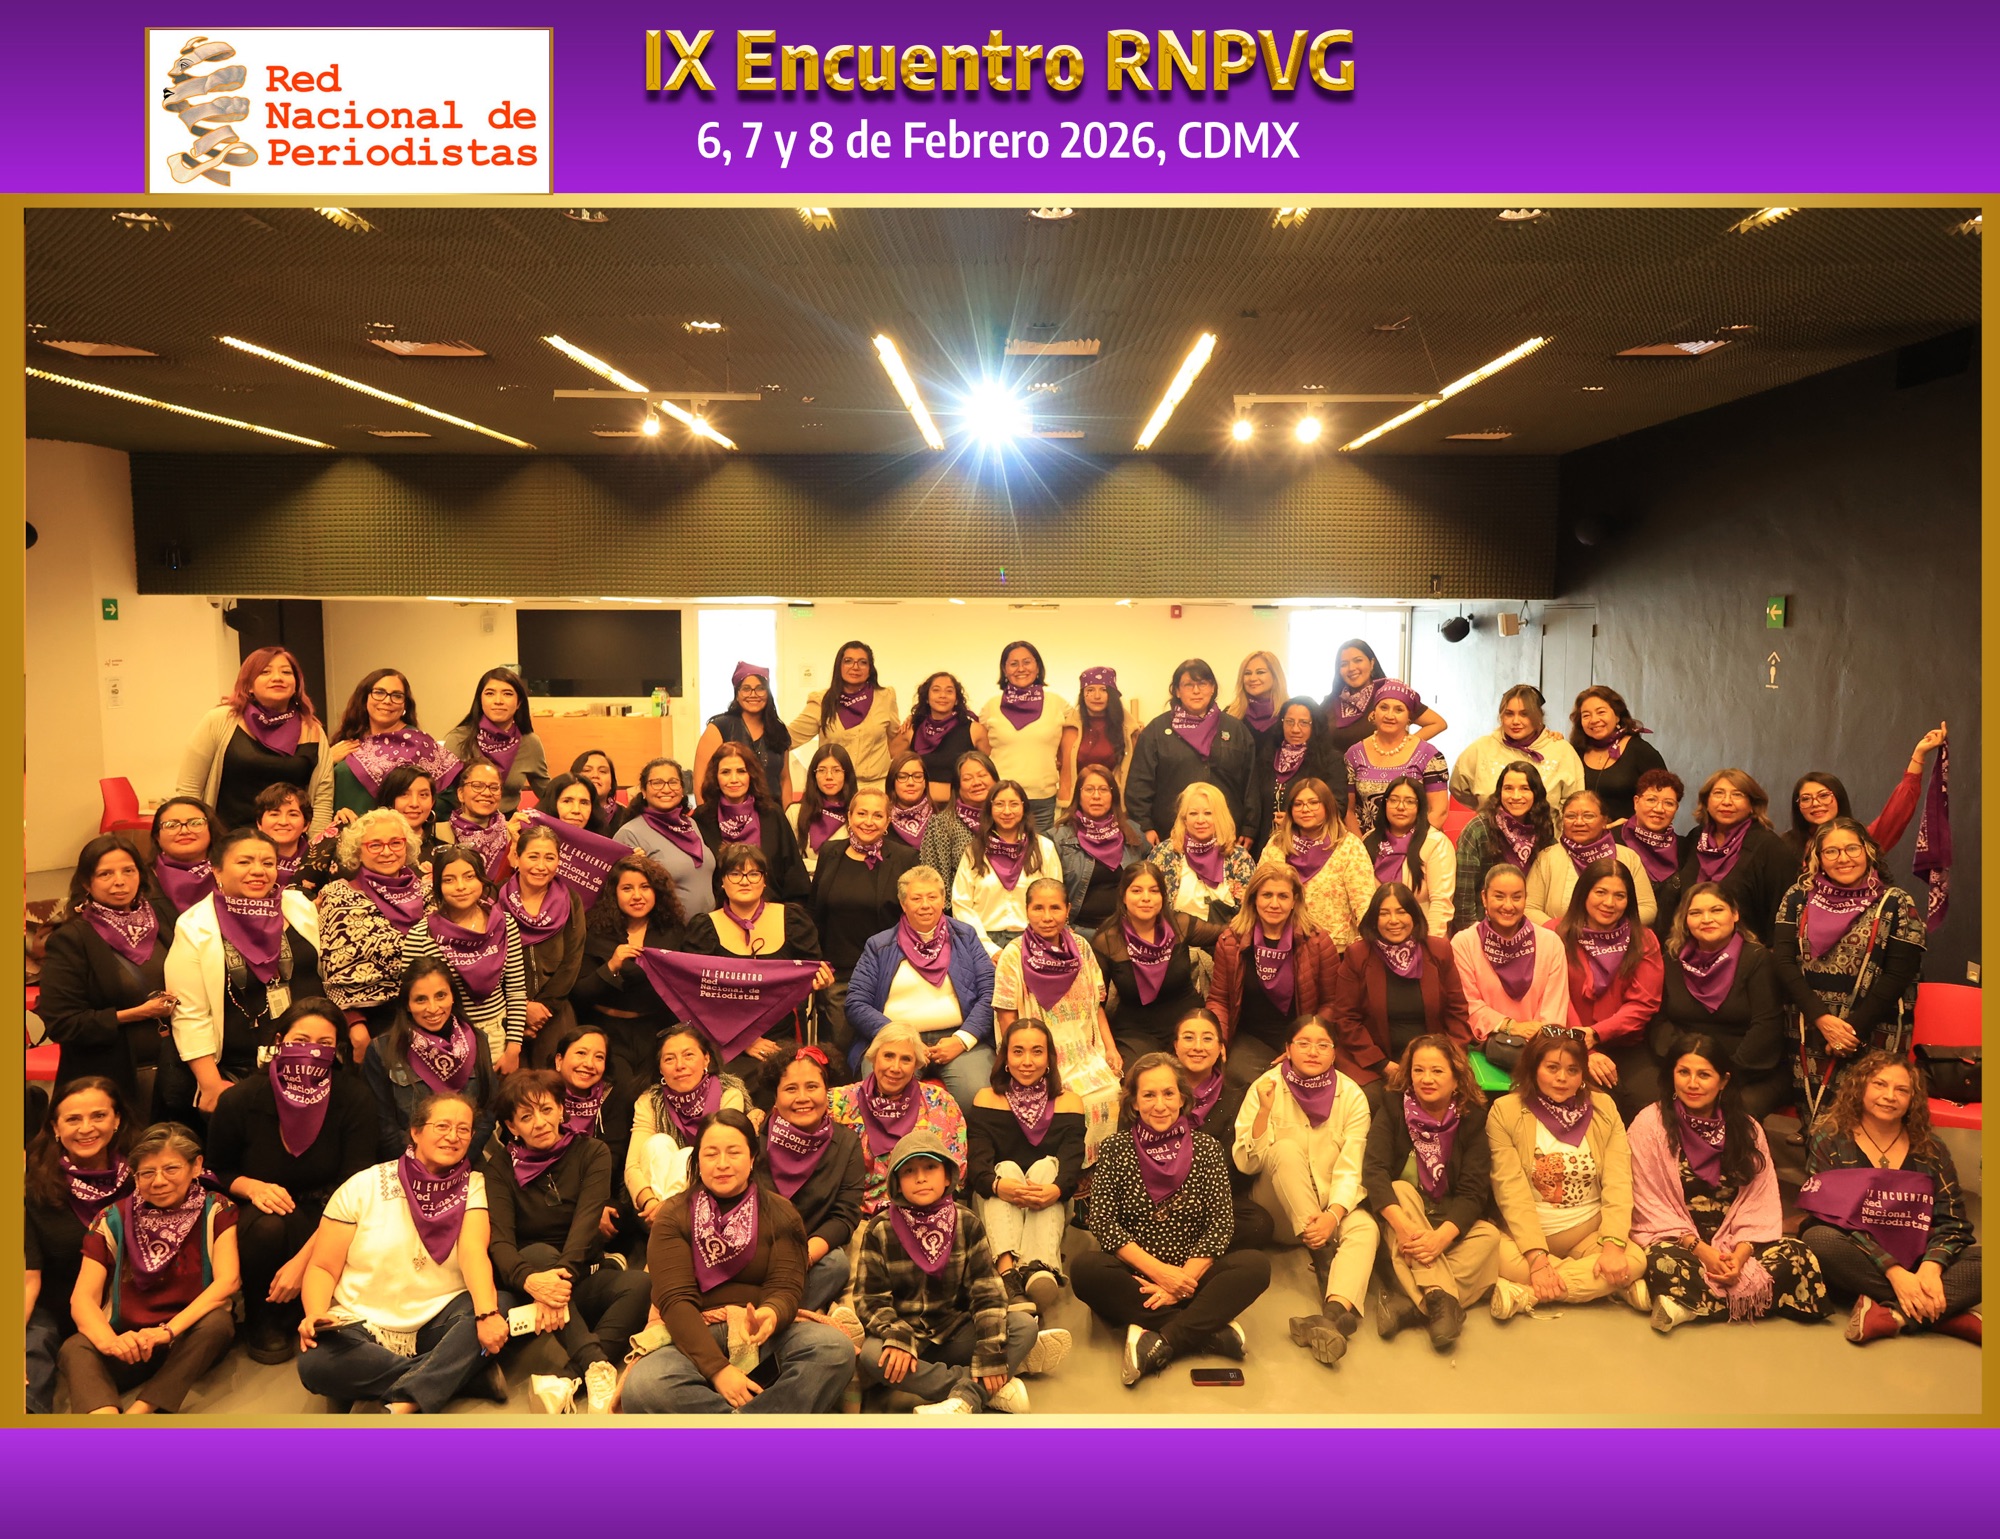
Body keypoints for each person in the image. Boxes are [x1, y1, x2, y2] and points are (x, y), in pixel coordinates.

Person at [620, 1111, 857, 1414]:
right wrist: (718, 1370)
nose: (722, 1164)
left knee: (834, 1350)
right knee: (645, 1387)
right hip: (692, 1330)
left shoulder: (781, 1212)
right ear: (697, 1160)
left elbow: (785, 1287)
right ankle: (761, 1426)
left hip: (758, 1332)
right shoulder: (673, 1215)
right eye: (711, 1154)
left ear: (753, 1158)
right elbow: (675, 1301)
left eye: (734, 1152)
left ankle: (731, 1429)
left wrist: (772, 1313)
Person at [295, 1090, 512, 1413]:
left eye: (463, 1129)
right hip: (363, 1322)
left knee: (500, 1305)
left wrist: (486, 1314)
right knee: (315, 1364)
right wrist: (314, 1312)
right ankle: (461, 1377)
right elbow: (323, 1266)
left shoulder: (474, 1185)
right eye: (442, 1126)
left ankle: (402, 1401)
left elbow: (473, 1252)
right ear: (416, 1131)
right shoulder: (363, 1186)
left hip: (439, 1318)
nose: (453, 1136)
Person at [1071, 1055, 1272, 1386]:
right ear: (1134, 1103)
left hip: (1194, 1276)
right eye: (1149, 1095)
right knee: (1085, 1270)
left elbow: (1221, 1224)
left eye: (1168, 1093)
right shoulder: (1114, 1149)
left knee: (1255, 1266)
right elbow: (1103, 1222)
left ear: (1182, 1098)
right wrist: (1161, 1274)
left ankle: (1164, 1339)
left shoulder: (1207, 1149)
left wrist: (1182, 1282)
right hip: (1137, 1278)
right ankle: (1206, 1331)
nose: (1160, 1105)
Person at [205, 998, 375, 1365]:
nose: (311, 1052)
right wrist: (251, 1186)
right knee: (268, 1228)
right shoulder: (240, 1099)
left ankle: (317, 1312)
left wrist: (303, 1263)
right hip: (263, 1213)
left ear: (337, 1049)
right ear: (280, 1041)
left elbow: (357, 1187)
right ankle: (263, 1317)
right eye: (301, 1040)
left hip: (332, 1212)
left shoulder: (354, 1097)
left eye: (324, 1044)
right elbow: (216, 1171)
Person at [854, 1127, 1069, 1414]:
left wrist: (989, 1348)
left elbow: (987, 1294)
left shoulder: (966, 1223)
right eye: (909, 1171)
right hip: (907, 1338)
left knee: (1024, 1327)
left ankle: (966, 1395)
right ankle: (988, 1388)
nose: (920, 1177)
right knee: (871, 1356)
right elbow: (869, 1299)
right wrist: (896, 1332)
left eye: (930, 1167)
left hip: (955, 1331)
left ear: (947, 1177)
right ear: (897, 1183)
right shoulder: (879, 1229)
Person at [482, 1069, 652, 1414]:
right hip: (525, 1283)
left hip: (575, 1277)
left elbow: (586, 1226)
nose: (540, 1122)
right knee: (538, 1252)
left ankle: (565, 1380)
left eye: (546, 1109)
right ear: (512, 1126)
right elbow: (500, 1242)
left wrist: (557, 1285)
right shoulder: (499, 1167)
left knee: (641, 1284)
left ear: (561, 1109)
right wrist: (533, 1282)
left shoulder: (592, 1152)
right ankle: (594, 1365)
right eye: (526, 1117)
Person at [1630, 1035, 1827, 1332]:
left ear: (1723, 1081)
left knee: (1800, 1256)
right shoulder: (1649, 1124)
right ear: (1672, 1076)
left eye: (1704, 1075)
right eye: (1683, 1072)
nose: (1692, 1083)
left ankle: (1687, 1305)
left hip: (1736, 1244)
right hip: (1679, 1243)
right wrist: (1702, 1251)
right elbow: (1649, 1201)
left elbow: (1760, 1201)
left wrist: (1739, 1256)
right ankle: (1741, 1301)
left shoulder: (1747, 1129)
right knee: (1660, 1262)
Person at [1799, 1051, 1981, 1347]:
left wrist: (1931, 1267)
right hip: (1860, 1259)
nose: (1889, 1096)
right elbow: (1830, 1218)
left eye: (1902, 1090)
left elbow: (1954, 1224)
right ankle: (1946, 1315)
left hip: (1919, 1259)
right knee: (1818, 1238)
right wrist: (1895, 1273)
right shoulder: (1829, 1140)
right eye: (1880, 1084)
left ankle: (1893, 1315)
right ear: (1860, 1087)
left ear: (1913, 1099)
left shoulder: (1931, 1149)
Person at [59, 1121, 239, 1415]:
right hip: (128, 1342)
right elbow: (82, 1299)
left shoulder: (217, 1208)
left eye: (171, 1169)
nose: (159, 1181)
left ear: (196, 1166)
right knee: (74, 1347)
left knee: (217, 1324)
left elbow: (228, 1282)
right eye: (147, 1173)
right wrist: (112, 1343)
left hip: (184, 1338)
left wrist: (167, 1332)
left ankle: (142, 1412)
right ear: (135, 1176)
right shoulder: (111, 1219)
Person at [1234, 1016, 1378, 1366]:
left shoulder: (1351, 1096)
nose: (1313, 1051)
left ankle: (1334, 1314)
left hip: (1327, 1209)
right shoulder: (1266, 1086)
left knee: (1366, 1228)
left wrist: (1333, 1216)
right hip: (1278, 1209)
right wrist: (1264, 1112)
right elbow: (1247, 1164)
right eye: (1303, 1043)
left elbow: (1352, 1166)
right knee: (1285, 1149)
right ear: (1287, 1049)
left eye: (1322, 1045)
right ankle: (1323, 1255)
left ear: (1334, 1052)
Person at [1484, 1028, 1649, 1321]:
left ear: (1582, 1073)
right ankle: (1611, 1285)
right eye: (1552, 1068)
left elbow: (1619, 1180)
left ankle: (1527, 1295)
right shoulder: (1505, 1111)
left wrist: (1612, 1246)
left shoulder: (1603, 1106)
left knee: (1635, 1259)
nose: (1562, 1078)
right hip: (1526, 1238)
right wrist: (1537, 1259)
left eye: (1572, 1070)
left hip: (1587, 1232)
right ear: (1533, 1068)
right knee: (1488, 1252)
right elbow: (1510, 1191)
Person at [162, 829, 323, 1120]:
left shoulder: (297, 906)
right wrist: (211, 1084)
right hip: (238, 1069)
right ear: (217, 870)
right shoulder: (195, 925)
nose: (258, 871)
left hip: (311, 1059)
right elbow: (189, 1013)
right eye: (244, 862)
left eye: (268, 862)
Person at [1773, 819, 1926, 1117]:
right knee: (1814, 1116)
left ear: (1868, 851)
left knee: (1868, 1116)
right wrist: (1823, 1021)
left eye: (1852, 849)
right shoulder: (1797, 897)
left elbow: (1899, 975)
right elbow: (1783, 961)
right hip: (1809, 1024)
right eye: (1831, 851)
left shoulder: (1896, 902)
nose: (1843, 858)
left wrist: (1851, 1030)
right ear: (1818, 858)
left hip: (1874, 1028)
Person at [1363, 1035, 1500, 1349]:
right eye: (1418, 1070)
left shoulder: (1473, 1118)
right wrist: (1405, 1228)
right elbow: (1374, 1172)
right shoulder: (1393, 1107)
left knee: (1489, 1237)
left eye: (1437, 1071)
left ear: (1456, 1078)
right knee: (1400, 1188)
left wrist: (1440, 1238)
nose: (1426, 1079)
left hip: (1443, 1220)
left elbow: (1473, 1192)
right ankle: (1440, 1300)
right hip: (1401, 1220)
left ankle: (1414, 1307)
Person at [24, 1078, 138, 1414]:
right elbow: (27, 1279)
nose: (86, 1128)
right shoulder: (32, 1186)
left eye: (98, 1115)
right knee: (28, 1352)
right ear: (55, 1128)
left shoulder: (145, 1175)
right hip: (55, 1307)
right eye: (73, 1119)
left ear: (117, 1120)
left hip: (130, 1301)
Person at [844, 865, 997, 1114]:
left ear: (943, 900)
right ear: (903, 904)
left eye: (932, 897)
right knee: (885, 1101)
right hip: (896, 1040)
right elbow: (856, 1003)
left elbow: (990, 992)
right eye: (916, 898)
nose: (925, 905)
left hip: (958, 1038)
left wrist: (962, 1039)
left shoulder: (966, 936)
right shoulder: (879, 945)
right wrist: (902, 1039)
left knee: (975, 1097)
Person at [38, 835, 176, 1110]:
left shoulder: (162, 919)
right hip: (110, 1081)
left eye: (128, 870)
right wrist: (137, 1013)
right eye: (106, 874)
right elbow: (62, 1023)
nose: (120, 881)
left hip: (175, 1072)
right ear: (86, 883)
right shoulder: (71, 938)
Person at [991, 878, 1122, 1159]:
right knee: (1067, 1102)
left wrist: (1110, 1050)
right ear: (1027, 910)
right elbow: (1005, 1015)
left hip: (1084, 1053)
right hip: (1039, 1056)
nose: (1047, 917)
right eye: (1038, 908)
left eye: (1055, 908)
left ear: (1068, 909)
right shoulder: (1013, 954)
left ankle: (1097, 1171)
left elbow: (1097, 1006)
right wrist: (1021, 1061)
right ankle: (1065, 1169)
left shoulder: (1082, 948)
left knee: (1111, 1092)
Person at [683, 842, 835, 1073]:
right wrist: (744, 1040)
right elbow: (696, 996)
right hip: (724, 1040)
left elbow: (810, 971)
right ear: (722, 881)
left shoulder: (793, 919)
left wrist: (820, 981)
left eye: (753, 873)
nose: (745, 881)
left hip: (783, 1036)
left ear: (764, 880)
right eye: (735, 874)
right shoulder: (703, 927)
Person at [967, 1020, 1088, 1308]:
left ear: (1049, 1058)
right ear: (1005, 1057)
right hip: (994, 1200)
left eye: (1037, 1051)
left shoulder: (1070, 1102)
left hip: (1051, 1199)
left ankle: (1038, 1267)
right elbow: (978, 1169)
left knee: (1047, 1167)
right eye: (1018, 1051)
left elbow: (1070, 1168)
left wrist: (1054, 1190)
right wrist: (1000, 1186)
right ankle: (1007, 1272)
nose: (1027, 1061)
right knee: (1006, 1168)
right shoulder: (986, 1098)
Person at [1653, 883, 1791, 1121]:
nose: (1706, 919)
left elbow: (1766, 1028)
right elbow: (1658, 1021)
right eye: (1696, 913)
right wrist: (1685, 1068)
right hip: (1685, 1067)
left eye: (1716, 910)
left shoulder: (1758, 960)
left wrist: (1720, 1077)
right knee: (1654, 1106)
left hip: (1747, 1072)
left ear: (1735, 914)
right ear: (1685, 920)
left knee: (1731, 1113)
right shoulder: (1671, 961)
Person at [1207, 864, 1342, 1090]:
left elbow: (1332, 1003)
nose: (1274, 904)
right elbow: (1219, 999)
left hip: (1303, 1038)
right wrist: (1216, 1037)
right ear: (1253, 899)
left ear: (1294, 900)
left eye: (1283, 896)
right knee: (1248, 1083)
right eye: (1267, 895)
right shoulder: (1230, 941)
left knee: (1298, 1083)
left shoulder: (1318, 941)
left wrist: (1305, 1044)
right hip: (1249, 1038)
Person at [754, 1044, 867, 1315]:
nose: (802, 1098)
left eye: (812, 1087)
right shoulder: (752, 1139)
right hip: (754, 1255)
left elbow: (845, 1215)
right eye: (791, 1089)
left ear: (826, 1091)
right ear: (776, 1096)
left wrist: (802, 1256)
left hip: (808, 1256)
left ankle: (772, 1318)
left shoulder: (847, 1143)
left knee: (836, 1264)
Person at [176, 645, 335, 833]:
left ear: (296, 685)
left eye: (286, 672)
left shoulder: (311, 728)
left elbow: (322, 799)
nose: (277, 678)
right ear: (249, 685)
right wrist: (197, 835)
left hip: (289, 843)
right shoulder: (221, 720)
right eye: (265, 672)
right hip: (227, 840)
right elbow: (189, 789)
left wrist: (315, 846)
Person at [812, 788, 920, 1062]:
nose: (868, 821)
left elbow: (912, 917)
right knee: (836, 1052)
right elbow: (815, 912)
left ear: (888, 821)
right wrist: (815, 962)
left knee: (881, 1051)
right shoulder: (830, 852)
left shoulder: (905, 857)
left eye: (877, 815)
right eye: (861, 813)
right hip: (836, 974)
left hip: (885, 972)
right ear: (849, 816)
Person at [1332, 883, 1472, 1092]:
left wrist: (1443, 1060)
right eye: (1384, 913)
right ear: (1374, 919)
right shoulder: (1358, 955)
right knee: (1377, 1099)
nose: (1393, 920)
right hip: (1377, 1063)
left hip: (1433, 1061)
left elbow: (1457, 1012)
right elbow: (1346, 1019)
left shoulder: (1439, 950)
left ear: (1414, 915)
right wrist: (1382, 1064)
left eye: (1401, 911)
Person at [402, 844, 527, 1072]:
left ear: (482, 880)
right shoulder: (421, 935)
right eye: (449, 880)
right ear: (438, 886)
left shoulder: (505, 925)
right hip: (444, 1040)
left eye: (469, 877)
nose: (460, 886)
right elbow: (411, 1001)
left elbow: (516, 990)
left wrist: (513, 1048)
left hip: (498, 1037)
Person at [1556, 858, 1666, 1118]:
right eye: (1601, 892)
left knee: (1652, 1107)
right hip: (1568, 1043)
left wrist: (1597, 1033)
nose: (1609, 903)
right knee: (1596, 1106)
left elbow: (1644, 1003)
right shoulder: (1556, 933)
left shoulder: (1644, 939)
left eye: (1619, 896)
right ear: (1584, 893)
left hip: (1626, 1044)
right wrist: (1585, 1047)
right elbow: (1556, 996)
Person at [362, 960, 501, 1162]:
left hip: (466, 1161)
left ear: (453, 997)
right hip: (405, 1164)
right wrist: (420, 1166)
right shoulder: (381, 1050)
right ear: (407, 1005)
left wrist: (458, 1160)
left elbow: (488, 1110)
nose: (433, 1008)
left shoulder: (478, 1040)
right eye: (421, 999)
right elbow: (383, 1126)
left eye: (440, 995)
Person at [317, 809, 427, 1064]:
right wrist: (355, 1026)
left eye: (395, 842)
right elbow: (331, 972)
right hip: (371, 1027)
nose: (387, 852)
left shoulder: (429, 892)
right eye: (375, 845)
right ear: (358, 851)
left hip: (430, 1014)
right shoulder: (338, 896)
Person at [624, 1024, 754, 1235]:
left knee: (689, 1155)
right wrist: (650, 1203)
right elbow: (633, 1166)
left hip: (714, 1200)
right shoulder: (650, 1101)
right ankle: (669, 1231)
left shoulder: (729, 1094)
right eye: (669, 1059)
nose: (680, 1065)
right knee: (658, 1143)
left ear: (706, 1059)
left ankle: (667, 1234)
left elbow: (722, 1160)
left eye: (688, 1055)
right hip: (653, 1209)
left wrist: (669, 1209)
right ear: (660, 1068)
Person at [1092, 862, 1225, 1065]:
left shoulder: (1180, 925)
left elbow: (1228, 934)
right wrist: (1110, 1049)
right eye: (1137, 890)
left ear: (1163, 896)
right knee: (1140, 1076)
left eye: (1154, 891)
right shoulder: (1107, 941)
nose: (1146, 898)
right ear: (1123, 896)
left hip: (1188, 1025)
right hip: (1135, 1032)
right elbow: (1096, 1003)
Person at [830, 1025, 969, 1216]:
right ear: (873, 1058)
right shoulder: (838, 1103)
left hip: (925, 1214)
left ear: (916, 1065)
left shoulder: (940, 1102)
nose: (895, 1068)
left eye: (906, 1059)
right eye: (888, 1056)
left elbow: (956, 1170)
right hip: (854, 1215)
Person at [571, 853, 687, 1080]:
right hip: (605, 1032)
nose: (637, 896)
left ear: (657, 892)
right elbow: (579, 994)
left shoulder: (673, 932)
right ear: (614, 893)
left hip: (655, 1032)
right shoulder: (595, 930)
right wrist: (611, 966)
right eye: (627, 888)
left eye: (645, 887)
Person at [1171, 1009, 1274, 1251]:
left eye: (1207, 1038)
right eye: (1188, 1037)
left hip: (1213, 1200)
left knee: (1259, 1224)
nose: (1198, 1047)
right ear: (1175, 1046)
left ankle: (1176, 1247)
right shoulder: (1160, 1090)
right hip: (1160, 1194)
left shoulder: (1239, 1095)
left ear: (1221, 1048)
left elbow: (1238, 1169)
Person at [1126, 658, 1254, 841]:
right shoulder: (1156, 731)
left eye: (1202, 684)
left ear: (1212, 688)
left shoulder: (1235, 730)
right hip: (1170, 835)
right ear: (1177, 691)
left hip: (1227, 834)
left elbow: (1250, 784)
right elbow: (1139, 784)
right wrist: (1144, 826)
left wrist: (1250, 828)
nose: (1196, 691)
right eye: (1188, 685)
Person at [1782, 723, 1946, 862]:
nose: (1816, 803)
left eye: (1824, 795)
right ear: (1798, 806)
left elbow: (1897, 812)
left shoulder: (1862, 840)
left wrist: (1919, 754)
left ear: (1838, 797)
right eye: (1806, 799)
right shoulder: (1785, 846)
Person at [1449, 864, 1569, 1048]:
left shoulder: (1551, 943)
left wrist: (1537, 1041)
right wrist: (1510, 1026)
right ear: (1484, 898)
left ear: (1526, 899)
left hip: (1540, 1048)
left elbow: (1554, 1008)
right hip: (1484, 1047)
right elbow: (1468, 1005)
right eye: (1499, 896)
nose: (1508, 905)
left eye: (1516, 897)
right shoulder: (1464, 943)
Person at [498, 821, 588, 1067]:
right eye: (533, 856)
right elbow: (489, 960)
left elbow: (572, 960)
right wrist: (521, 1009)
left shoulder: (570, 900)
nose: (541, 866)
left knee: (554, 1083)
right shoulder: (496, 898)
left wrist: (542, 1009)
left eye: (549, 858)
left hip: (553, 1013)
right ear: (517, 858)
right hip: (504, 1012)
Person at [327, 668, 463, 821]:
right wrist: (327, 762)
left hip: (397, 834)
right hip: (345, 830)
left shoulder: (419, 744)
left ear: (405, 705)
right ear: (364, 698)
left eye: (397, 696)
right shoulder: (347, 740)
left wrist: (411, 817)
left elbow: (447, 800)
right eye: (379, 692)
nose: (387, 701)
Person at [1677, 769, 1798, 941]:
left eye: (1737, 795)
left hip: (1749, 950)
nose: (1727, 802)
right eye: (1718, 793)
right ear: (1706, 802)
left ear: (1752, 805)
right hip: (1691, 946)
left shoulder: (1769, 847)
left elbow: (1786, 910)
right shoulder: (1695, 838)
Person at [1262, 775, 1378, 954]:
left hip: (1335, 949)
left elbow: (1364, 905)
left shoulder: (1349, 846)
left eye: (1313, 802)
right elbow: (1258, 894)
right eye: (1298, 804)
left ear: (1328, 806)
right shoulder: (1277, 844)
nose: (1305, 809)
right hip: (1283, 947)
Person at [951, 779, 1062, 954]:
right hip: (983, 942)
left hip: (1034, 940)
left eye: (1014, 804)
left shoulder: (1044, 848)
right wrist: (988, 948)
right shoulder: (974, 851)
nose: (1007, 811)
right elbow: (961, 904)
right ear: (990, 808)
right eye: (999, 804)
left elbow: (1055, 898)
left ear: (1024, 807)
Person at [978, 640, 1078, 832]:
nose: (1021, 668)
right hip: (1001, 799)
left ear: (1038, 666)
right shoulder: (991, 706)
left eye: (1027, 662)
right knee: (1001, 849)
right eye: (1013, 664)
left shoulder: (1057, 704)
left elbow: (1081, 730)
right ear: (1004, 670)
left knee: (1041, 850)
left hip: (1042, 800)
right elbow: (980, 746)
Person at [695, 739, 808, 902]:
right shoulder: (702, 818)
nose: (734, 779)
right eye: (725, 772)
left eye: (741, 771)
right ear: (715, 777)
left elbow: (794, 875)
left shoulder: (772, 814)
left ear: (751, 775)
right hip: (720, 911)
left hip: (771, 908)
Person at [549, 1026, 638, 1233]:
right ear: (559, 1060)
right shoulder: (540, 1094)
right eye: (581, 1053)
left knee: (612, 1217)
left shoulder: (613, 1097)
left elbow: (612, 1158)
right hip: (546, 1190)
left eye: (599, 1057)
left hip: (598, 1190)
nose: (589, 1064)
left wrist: (593, 1204)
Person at [1451, 762, 1557, 934]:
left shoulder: (1543, 829)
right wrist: (1473, 937)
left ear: (1536, 794)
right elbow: (1463, 898)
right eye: (1508, 788)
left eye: (1524, 788)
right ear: (1499, 792)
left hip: (1531, 930)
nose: (1516, 796)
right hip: (1483, 930)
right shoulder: (1478, 829)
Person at [1525, 789, 1658, 927]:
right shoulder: (1547, 857)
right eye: (1570, 816)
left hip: (1617, 938)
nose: (1579, 822)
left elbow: (1647, 908)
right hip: (1559, 937)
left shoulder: (1628, 857)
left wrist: (1610, 928)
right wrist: (1560, 930)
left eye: (1588, 816)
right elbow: (1529, 908)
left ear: (1604, 821)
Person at [1450, 685, 1585, 812]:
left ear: (1538, 716)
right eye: (1509, 714)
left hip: (1545, 829)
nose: (1515, 721)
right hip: (1491, 828)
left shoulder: (1561, 751)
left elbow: (1575, 802)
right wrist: (1486, 809)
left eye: (1524, 714)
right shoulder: (1481, 748)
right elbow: (1458, 788)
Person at [788, 639, 902, 790]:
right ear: (839, 666)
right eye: (848, 661)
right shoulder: (822, 701)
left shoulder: (885, 697)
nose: (855, 667)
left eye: (862, 662)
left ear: (870, 669)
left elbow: (896, 738)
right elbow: (788, 738)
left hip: (876, 787)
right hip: (836, 788)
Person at [613, 757, 717, 919]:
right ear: (643, 791)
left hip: (705, 928)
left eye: (673, 782)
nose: (666, 789)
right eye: (657, 783)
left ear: (682, 789)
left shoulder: (691, 824)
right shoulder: (629, 834)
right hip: (666, 929)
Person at [1050, 763, 1149, 931]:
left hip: (1127, 930)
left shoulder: (1133, 833)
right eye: (1089, 789)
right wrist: (1065, 930)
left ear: (1113, 795)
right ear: (1078, 795)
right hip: (1077, 931)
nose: (1096, 796)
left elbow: (1150, 880)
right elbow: (1050, 892)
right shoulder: (1058, 838)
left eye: (1103, 790)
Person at [1344, 684, 1450, 837]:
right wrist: (1362, 847)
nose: (1389, 715)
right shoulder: (1354, 754)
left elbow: (1438, 812)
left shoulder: (1430, 756)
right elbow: (1348, 811)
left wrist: (1406, 845)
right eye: (1384, 707)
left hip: (1418, 845)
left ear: (1409, 717)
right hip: (1365, 846)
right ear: (1374, 712)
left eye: (1399, 710)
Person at [440, 667, 547, 815]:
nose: (498, 701)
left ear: (519, 702)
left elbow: (548, 795)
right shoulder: (459, 738)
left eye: (507, 694)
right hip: (463, 822)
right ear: (480, 700)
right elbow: (442, 793)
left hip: (508, 822)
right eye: (490, 693)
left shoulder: (530, 743)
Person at [1151, 781, 1256, 924]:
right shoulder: (1163, 854)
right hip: (1176, 935)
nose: (1200, 820)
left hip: (1226, 935)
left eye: (1208, 813)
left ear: (1220, 817)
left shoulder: (1239, 857)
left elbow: (1249, 911)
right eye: (1193, 813)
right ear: (1185, 819)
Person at [1323, 639, 1446, 759]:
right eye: (1344, 664)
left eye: (1358, 660)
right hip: (1337, 771)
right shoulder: (1331, 701)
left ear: (1372, 663)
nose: (1351, 668)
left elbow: (1437, 723)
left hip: (1381, 769)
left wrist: (1403, 748)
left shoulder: (1389, 694)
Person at [693, 661, 794, 806]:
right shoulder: (719, 727)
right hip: (729, 814)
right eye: (746, 689)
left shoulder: (778, 730)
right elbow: (701, 781)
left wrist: (786, 814)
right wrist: (706, 816)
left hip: (772, 812)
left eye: (760, 688)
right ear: (737, 693)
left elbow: (784, 779)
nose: (753, 694)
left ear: (768, 692)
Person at [1362, 776, 1452, 933]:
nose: (1400, 807)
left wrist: (1429, 942)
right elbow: (1361, 898)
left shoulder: (1435, 843)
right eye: (1394, 800)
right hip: (1376, 934)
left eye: (1409, 801)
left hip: (1421, 932)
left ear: (1420, 806)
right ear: (1385, 804)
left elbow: (1441, 903)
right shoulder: (1369, 840)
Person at [1570, 686, 1668, 825]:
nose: (1594, 720)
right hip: (1583, 832)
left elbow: (1665, 798)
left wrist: (1631, 824)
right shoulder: (1575, 752)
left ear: (1617, 716)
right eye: (1586, 715)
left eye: (1601, 712)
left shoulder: (1640, 750)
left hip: (1629, 833)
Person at [1616, 769, 1688, 939]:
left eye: (1669, 803)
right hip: (1620, 941)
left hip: (1672, 945)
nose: (1659, 809)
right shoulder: (1613, 842)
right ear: (1636, 802)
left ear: (1676, 809)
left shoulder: (1686, 847)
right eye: (1651, 800)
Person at [918, 749, 997, 888]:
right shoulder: (941, 824)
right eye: (967, 778)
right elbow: (935, 881)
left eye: (982, 775)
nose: (976, 782)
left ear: (995, 780)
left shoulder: (1007, 818)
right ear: (957, 787)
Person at [789, 743, 858, 877]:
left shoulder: (857, 813)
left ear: (847, 774)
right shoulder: (795, 812)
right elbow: (790, 862)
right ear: (813, 775)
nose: (829, 776)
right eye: (821, 770)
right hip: (805, 882)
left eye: (836, 770)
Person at [440, 759, 512, 886]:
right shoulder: (438, 832)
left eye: (494, 788)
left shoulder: (512, 833)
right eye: (477, 786)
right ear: (460, 794)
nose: (487, 793)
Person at [148, 796, 220, 919]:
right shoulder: (142, 880)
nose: (184, 831)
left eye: (195, 823)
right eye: (171, 825)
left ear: (211, 829)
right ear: (157, 836)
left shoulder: (230, 872)